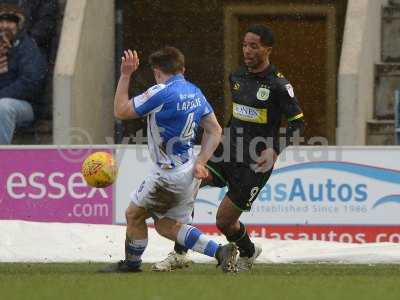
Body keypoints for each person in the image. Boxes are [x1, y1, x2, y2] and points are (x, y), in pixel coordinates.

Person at [154, 24, 305, 272]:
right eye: (245, 45)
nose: (247, 50)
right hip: (227, 152)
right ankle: (180, 254)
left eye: (253, 46)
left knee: (224, 222)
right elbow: (238, 117)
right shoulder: (236, 77)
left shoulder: (279, 86)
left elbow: (298, 123)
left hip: (254, 163)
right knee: (188, 184)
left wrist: (274, 149)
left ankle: (248, 251)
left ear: (268, 49)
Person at [100, 46, 238, 273]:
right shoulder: (195, 92)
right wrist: (201, 162)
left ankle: (132, 265)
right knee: (167, 226)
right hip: (188, 169)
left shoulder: (161, 92)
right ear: (182, 69)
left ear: (156, 71)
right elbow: (215, 130)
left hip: (166, 174)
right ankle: (219, 251)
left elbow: (121, 111)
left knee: (134, 215)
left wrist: (125, 75)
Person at [0, 4, 47, 144]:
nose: (4, 26)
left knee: (3, 107)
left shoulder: (27, 47)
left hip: (27, 106)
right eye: (1, 21)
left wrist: (1, 94)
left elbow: (31, 82)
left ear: (17, 25)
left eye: (9, 22)